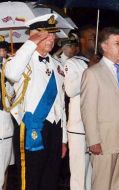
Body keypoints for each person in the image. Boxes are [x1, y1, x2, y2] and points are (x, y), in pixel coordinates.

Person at [4, 14, 68, 190]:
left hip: (54, 128)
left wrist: (63, 139)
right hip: (32, 126)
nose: (52, 39)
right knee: (31, 179)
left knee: (50, 178)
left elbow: (60, 104)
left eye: (54, 35)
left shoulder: (57, 65)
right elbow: (11, 73)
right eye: (47, 34)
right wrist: (30, 44)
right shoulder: (21, 60)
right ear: (34, 36)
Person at [80, 27, 119, 190]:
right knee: (101, 185)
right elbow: (88, 110)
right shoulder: (92, 74)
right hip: (104, 141)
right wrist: (93, 140)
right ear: (104, 46)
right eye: (117, 43)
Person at [63, 26, 97, 190]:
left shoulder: (100, 63)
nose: (95, 39)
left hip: (96, 126)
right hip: (79, 126)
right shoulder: (73, 63)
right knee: (79, 175)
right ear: (81, 40)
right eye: (91, 36)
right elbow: (70, 90)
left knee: (92, 174)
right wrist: (90, 69)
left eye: (97, 36)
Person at [0, 36, 14, 190]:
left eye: (3, 49)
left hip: (5, 127)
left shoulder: (9, 71)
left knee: (4, 169)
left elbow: (12, 97)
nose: (2, 53)